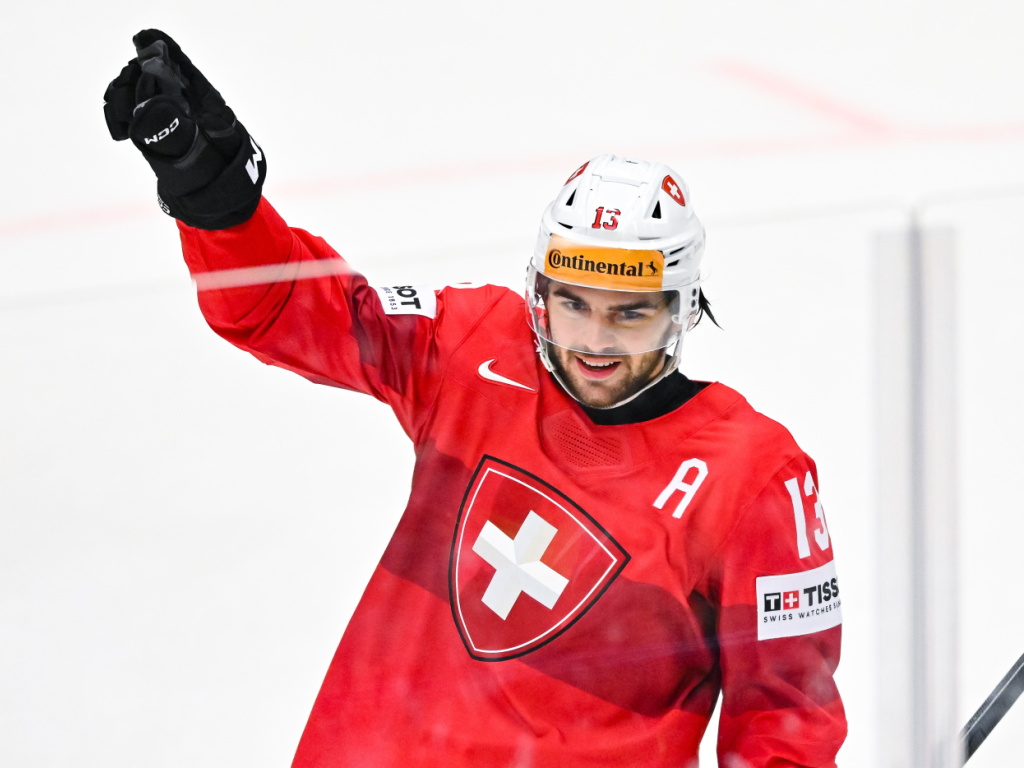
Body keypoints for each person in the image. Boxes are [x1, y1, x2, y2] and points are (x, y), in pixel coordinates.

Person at [104, 30, 846, 768]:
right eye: (574, 304)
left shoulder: (755, 477)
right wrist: (219, 201)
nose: (596, 340)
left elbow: (786, 721)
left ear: (682, 311)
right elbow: (289, 312)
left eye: (630, 313)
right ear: (538, 294)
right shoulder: (474, 345)